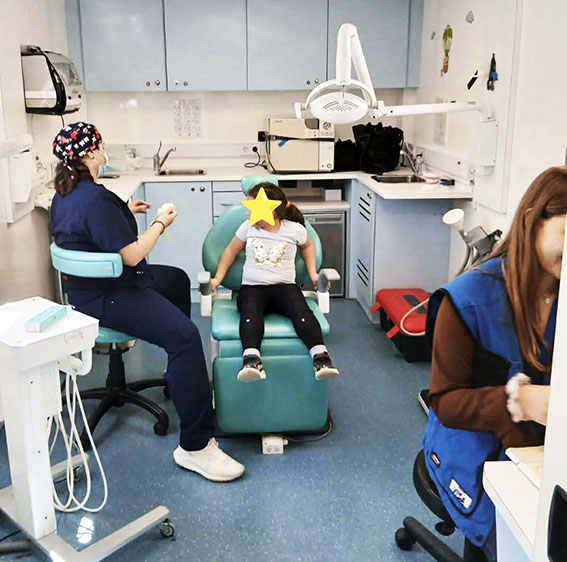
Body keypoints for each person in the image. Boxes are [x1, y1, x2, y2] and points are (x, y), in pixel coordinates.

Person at [50, 122, 244, 482]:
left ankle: (179, 375)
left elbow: (90, 226)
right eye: (101, 145)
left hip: (90, 287)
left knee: (176, 280)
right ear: (90, 152)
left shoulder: (67, 193)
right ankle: (196, 447)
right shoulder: (93, 199)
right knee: (185, 336)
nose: (104, 151)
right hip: (108, 296)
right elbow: (133, 255)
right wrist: (159, 222)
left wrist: (126, 210)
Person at [422, 166, 567, 561]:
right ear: (532, 222)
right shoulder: (467, 299)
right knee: (515, 538)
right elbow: (446, 403)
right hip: (469, 443)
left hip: (540, 446)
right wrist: (516, 401)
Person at [210, 182, 340, 382]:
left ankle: (321, 358)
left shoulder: (294, 230)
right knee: (250, 314)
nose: (247, 213)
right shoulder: (247, 228)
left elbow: (307, 246)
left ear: (272, 211)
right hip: (253, 288)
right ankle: (252, 360)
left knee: (301, 312)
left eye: (252, 209)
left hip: (285, 287)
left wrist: (313, 273)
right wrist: (218, 278)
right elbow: (230, 251)